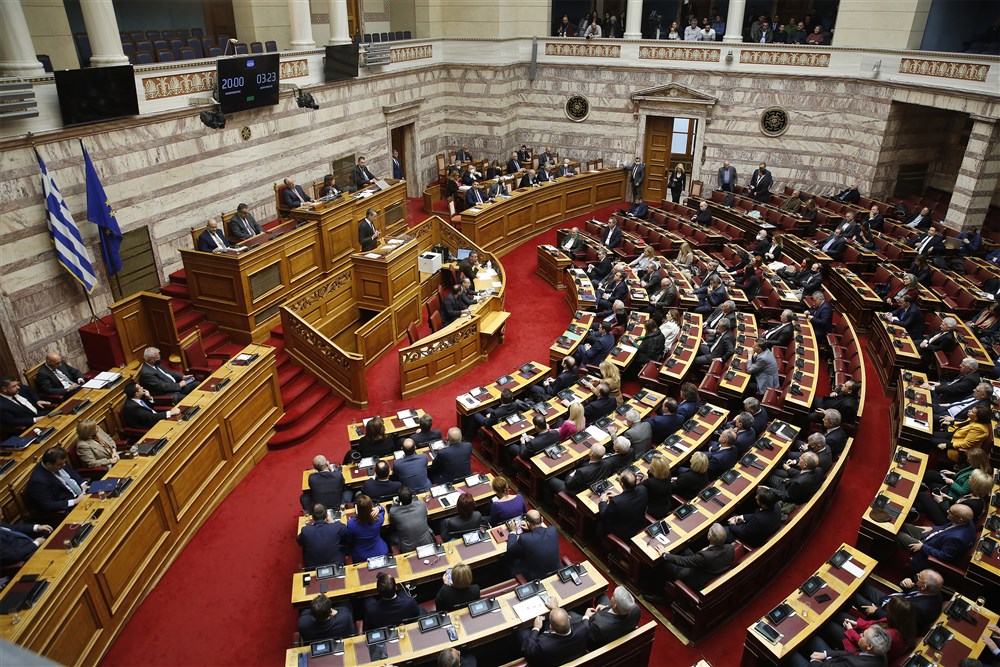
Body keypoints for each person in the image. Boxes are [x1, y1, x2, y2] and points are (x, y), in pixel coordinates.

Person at [850, 569, 944, 636]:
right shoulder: (933, 591)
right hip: (889, 600)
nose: (917, 574)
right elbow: (910, 592)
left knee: (853, 596)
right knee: (862, 584)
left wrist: (876, 611)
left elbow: (897, 623)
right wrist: (904, 584)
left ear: (924, 587)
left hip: (886, 613)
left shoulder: (920, 609)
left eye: (919, 577)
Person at [895, 503, 976, 571]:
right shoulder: (966, 521)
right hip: (932, 536)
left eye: (950, 512)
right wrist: (932, 528)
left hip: (926, 547)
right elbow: (947, 527)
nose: (947, 511)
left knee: (897, 534)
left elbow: (944, 556)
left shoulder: (957, 539)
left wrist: (923, 547)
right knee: (902, 525)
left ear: (960, 520)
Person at [656, 522, 734, 592]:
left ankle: (658, 593)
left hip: (693, 578)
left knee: (663, 564)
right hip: (708, 568)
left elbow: (683, 561)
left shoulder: (706, 556)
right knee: (684, 549)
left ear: (709, 536)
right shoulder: (730, 548)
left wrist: (665, 554)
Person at [26, 446, 89, 515]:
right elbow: (48, 505)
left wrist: (83, 484)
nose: (64, 465)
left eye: (64, 462)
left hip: (83, 493)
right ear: (49, 464)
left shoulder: (59, 462)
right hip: (70, 507)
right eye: (60, 464)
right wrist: (75, 501)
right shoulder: (38, 481)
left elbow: (72, 473)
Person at [790, 625, 891, 667]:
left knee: (791, 655)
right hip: (835, 661)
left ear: (869, 646)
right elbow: (852, 653)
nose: (859, 635)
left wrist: (815, 662)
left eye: (863, 635)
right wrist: (826, 654)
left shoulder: (855, 665)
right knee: (814, 640)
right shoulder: (880, 654)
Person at [520, 606, 587, 666]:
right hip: (568, 656)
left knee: (522, 632)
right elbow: (584, 623)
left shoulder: (543, 646)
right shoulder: (583, 629)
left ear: (551, 627)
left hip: (549, 662)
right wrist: (555, 608)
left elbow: (528, 652)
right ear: (569, 618)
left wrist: (536, 628)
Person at [507, 509, 560, 581]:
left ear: (528, 524)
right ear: (542, 519)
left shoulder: (524, 539)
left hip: (535, 577)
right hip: (556, 570)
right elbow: (540, 536)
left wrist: (513, 532)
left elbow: (510, 551)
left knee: (510, 560)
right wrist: (530, 529)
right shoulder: (553, 530)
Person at [597, 470, 648, 539]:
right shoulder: (643, 489)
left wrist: (603, 501)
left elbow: (604, 516)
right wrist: (619, 496)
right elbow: (630, 498)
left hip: (623, 532)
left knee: (597, 523)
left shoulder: (616, 502)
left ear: (621, 484)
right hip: (639, 524)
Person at [298, 504, 347, 569]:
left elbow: (299, 541)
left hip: (312, 567)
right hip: (336, 564)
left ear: (312, 517)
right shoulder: (336, 527)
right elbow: (347, 531)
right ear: (326, 516)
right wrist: (333, 522)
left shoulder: (306, 530)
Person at [389, 485, 435, 553]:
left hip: (408, 548)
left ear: (399, 499)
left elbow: (392, 515)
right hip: (427, 543)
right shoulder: (422, 505)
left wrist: (396, 502)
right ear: (412, 497)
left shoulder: (394, 512)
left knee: (390, 535)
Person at [346, 494, 388, 561]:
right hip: (379, 551)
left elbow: (349, 539)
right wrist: (378, 508)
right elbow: (383, 510)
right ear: (371, 507)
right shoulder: (379, 519)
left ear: (358, 509)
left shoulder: (351, 523)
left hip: (360, 555)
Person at [643, 453, 674, 518]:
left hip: (653, 511)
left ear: (654, 468)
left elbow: (636, 488)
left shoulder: (650, 482)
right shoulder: (668, 474)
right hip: (666, 504)